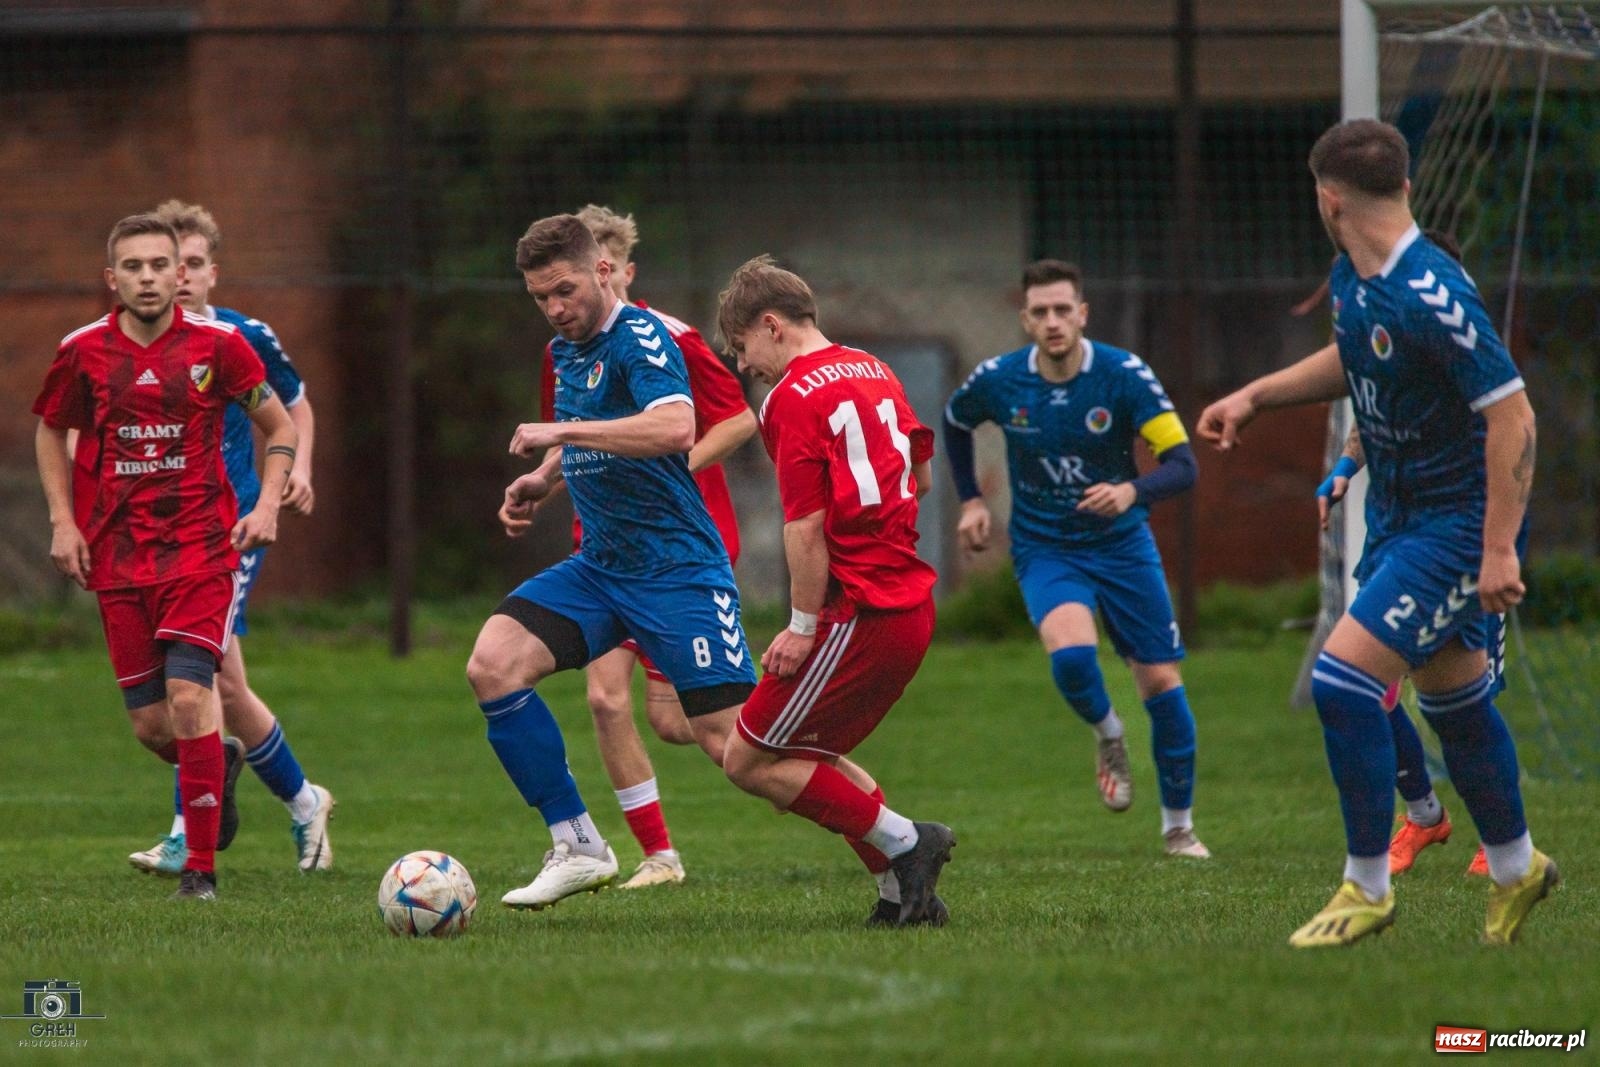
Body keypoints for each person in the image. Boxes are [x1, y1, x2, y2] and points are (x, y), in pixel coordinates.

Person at [1199, 118, 1555, 947]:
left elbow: (1514, 415)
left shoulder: (1431, 291)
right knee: (1455, 706)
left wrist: (1497, 547)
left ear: (1328, 200)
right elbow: (1356, 356)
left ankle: (1366, 886)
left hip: (1456, 526)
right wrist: (1256, 395)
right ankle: (1518, 867)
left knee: (1343, 682)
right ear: (1402, 187)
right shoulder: (1353, 276)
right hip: (1400, 517)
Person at [469, 214, 758, 910]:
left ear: (610, 270)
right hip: (603, 562)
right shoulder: (566, 348)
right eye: (540, 297)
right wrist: (544, 478)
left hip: (676, 561)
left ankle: (892, 837)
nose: (553, 307)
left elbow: (695, 423)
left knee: (725, 741)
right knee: (500, 666)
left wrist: (633, 459)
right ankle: (585, 845)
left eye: (563, 290)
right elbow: (581, 434)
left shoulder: (658, 336)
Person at [33, 214, 298, 901]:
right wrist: (63, 522)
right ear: (112, 278)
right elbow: (51, 431)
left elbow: (279, 424)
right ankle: (218, 761)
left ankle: (200, 873)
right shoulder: (82, 351)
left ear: (180, 275)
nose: (148, 278)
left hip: (203, 552)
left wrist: (267, 504)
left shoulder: (221, 346)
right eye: (134, 266)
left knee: (190, 697)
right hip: (119, 559)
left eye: (159, 265)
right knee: (154, 727)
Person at [716, 255, 956, 927]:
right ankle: (902, 896)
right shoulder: (876, 369)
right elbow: (921, 479)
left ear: (771, 325)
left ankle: (908, 842)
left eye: (741, 347)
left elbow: (805, 526)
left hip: (860, 609)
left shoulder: (791, 397)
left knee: (747, 759)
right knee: (808, 753)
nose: (744, 365)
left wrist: (801, 626)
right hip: (906, 600)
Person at [943, 259, 1209, 858]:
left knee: (1161, 683)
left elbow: (1182, 466)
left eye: (1063, 309)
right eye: (1040, 312)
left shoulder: (1124, 376)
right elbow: (955, 423)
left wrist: (1130, 491)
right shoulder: (1000, 380)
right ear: (1025, 320)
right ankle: (1109, 734)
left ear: (1083, 314)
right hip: (1047, 546)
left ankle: (1179, 828)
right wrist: (972, 501)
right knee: (1070, 657)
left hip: (1122, 545)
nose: (1053, 321)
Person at [123, 200, 335, 876]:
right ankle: (304, 801)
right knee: (229, 687)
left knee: (197, 675)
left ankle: (188, 829)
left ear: (212, 271)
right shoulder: (137, 345)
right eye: (169, 263)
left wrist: (298, 470)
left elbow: (292, 405)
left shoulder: (240, 336)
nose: (179, 276)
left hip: (234, 527)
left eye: (191, 263)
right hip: (164, 539)